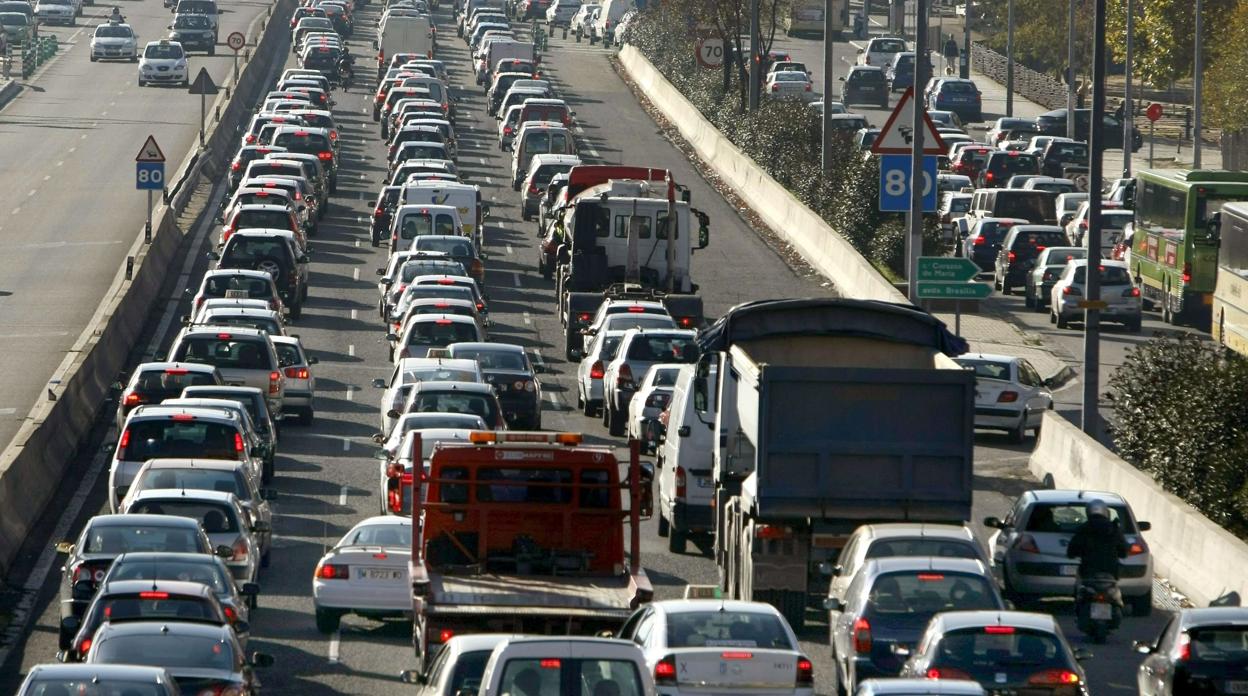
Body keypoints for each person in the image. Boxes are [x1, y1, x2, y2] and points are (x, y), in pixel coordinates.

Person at [1065, 499, 1128, 579]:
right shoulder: (1114, 528)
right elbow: (1124, 552)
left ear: (1088, 512)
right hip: (1111, 572)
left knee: (1079, 585)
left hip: (1088, 572)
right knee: (1116, 590)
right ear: (1105, 511)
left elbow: (1071, 552)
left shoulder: (1083, 529)